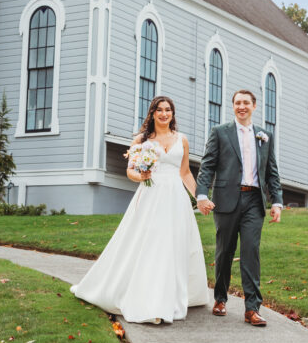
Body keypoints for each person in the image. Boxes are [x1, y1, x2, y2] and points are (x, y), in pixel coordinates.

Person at [71, 96, 208, 324]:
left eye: (168, 110)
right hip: (151, 196)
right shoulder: (141, 140)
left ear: (172, 114)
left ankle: (172, 295)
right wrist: (141, 175)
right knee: (152, 245)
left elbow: (185, 173)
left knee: (173, 246)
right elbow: (130, 171)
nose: (164, 114)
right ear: (152, 113)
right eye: (159, 110)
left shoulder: (181, 140)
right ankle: (151, 301)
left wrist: (200, 198)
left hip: (176, 200)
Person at [195, 89, 283, 326]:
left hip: (254, 200)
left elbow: (271, 171)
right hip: (226, 199)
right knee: (225, 251)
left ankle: (252, 308)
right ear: (233, 106)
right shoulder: (220, 133)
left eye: (246, 102)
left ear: (254, 106)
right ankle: (221, 298)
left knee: (251, 251)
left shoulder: (265, 136)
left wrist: (276, 202)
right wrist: (202, 194)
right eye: (237, 103)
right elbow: (207, 166)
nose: (241, 106)